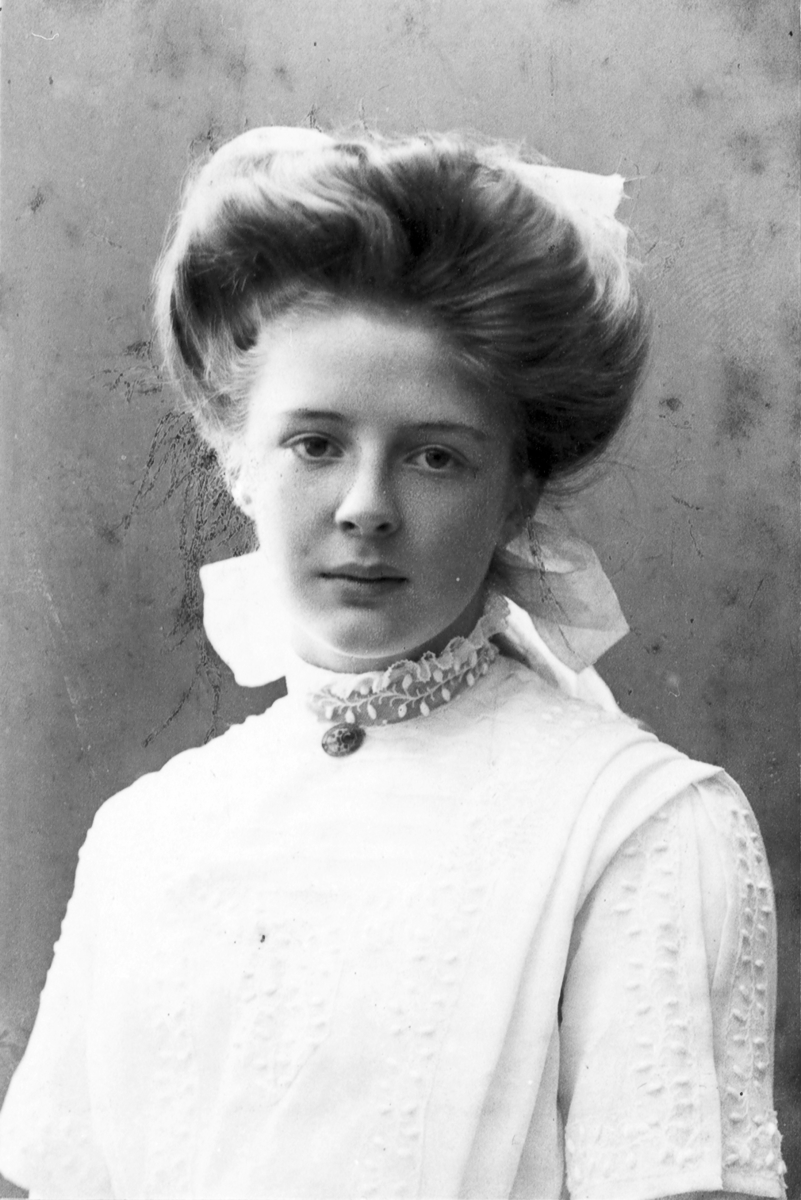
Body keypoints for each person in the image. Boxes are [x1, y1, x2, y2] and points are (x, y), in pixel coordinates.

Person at [0, 126, 787, 1200]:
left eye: (434, 456)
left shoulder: (638, 823)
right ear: (235, 459)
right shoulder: (147, 833)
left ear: (516, 491)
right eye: (315, 444)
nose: (366, 508)